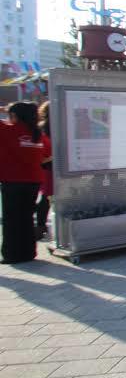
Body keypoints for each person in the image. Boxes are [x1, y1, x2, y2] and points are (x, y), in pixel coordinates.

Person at [0, 102, 46, 264]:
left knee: (11, 220)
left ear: (15, 116)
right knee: (26, 218)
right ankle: (28, 252)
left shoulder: (8, 130)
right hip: (34, 181)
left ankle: (12, 255)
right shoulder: (38, 134)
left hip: (13, 181)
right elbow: (48, 153)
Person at [36, 102, 53, 240]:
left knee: (45, 197)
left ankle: (41, 227)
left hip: (46, 167)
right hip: (53, 165)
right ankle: (42, 227)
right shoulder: (63, 124)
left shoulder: (40, 128)